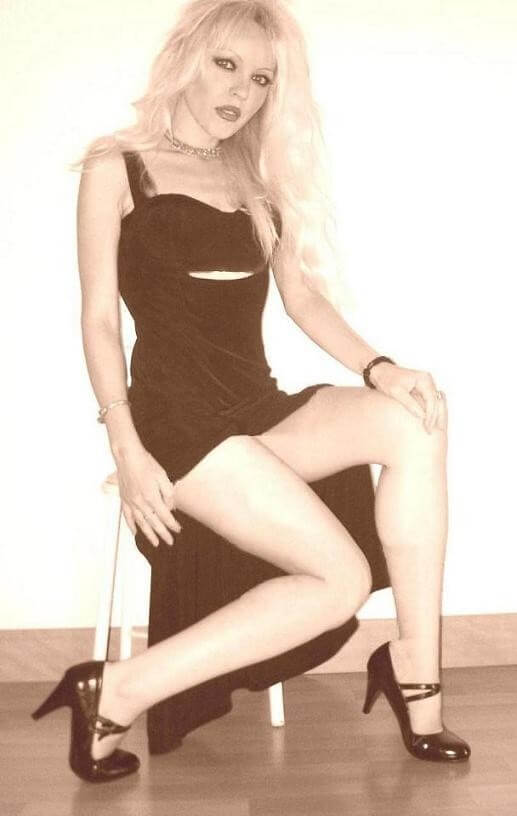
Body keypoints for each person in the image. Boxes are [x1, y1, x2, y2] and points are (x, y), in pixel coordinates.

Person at [32, 0, 470, 783]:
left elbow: (302, 300)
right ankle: (116, 690)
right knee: (337, 580)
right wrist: (126, 447)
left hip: (256, 407)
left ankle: (415, 668)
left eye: (261, 78)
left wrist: (381, 368)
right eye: (226, 65)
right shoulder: (117, 167)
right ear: (186, 59)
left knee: (414, 423)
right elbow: (98, 320)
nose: (241, 90)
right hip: (178, 422)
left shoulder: (253, 179)